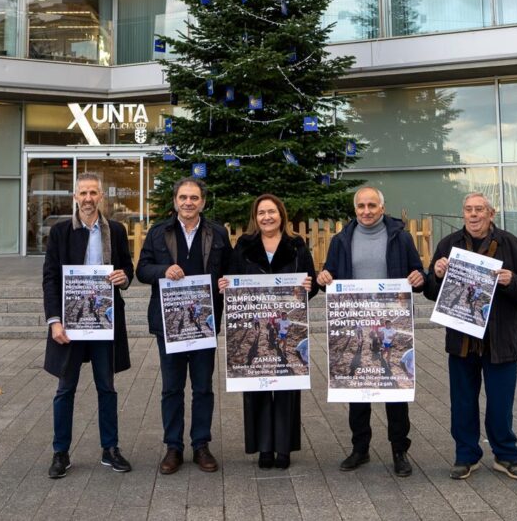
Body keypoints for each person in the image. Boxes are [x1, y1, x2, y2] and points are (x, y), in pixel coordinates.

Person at [424, 192, 517, 482]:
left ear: (491, 213)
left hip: (500, 342)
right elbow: (430, 291)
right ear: (463, 213)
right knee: (462, 403)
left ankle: (506, 455)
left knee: (500, 405)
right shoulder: (448, 245)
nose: (473, 214)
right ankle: (466, 456)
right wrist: (436, 275)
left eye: (479, 209)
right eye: (468, 209)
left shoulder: (512, 245)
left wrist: (512, 280)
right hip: (462, 341)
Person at [316, 186, 426, 478]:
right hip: (356, 323)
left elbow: (418, 274)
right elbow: (329, 275)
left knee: (395, 387)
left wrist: (420, 277)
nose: (366, 211)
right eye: (361, 206)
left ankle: (399, 450)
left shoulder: (400, 237)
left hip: (392, 323)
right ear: (355, 209)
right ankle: (360, 448)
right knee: (358, 385)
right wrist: (324, 277)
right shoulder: (342, 239)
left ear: (382, 208)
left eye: (372, 205)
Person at [41, 172, 134, 479]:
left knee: (106, 387)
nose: (88, 198)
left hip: (104, 321)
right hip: (71, 323)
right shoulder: (61, 231)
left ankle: (110, 448)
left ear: (101, 197)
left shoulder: (115, 230)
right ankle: (60, 452)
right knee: (65, 388)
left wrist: (123, 277)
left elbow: (127, 269)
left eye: (94, 193)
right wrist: (54, 321)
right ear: (75, 197)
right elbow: (50, 277)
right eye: (83, 193)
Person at [137, 177, 230, 475]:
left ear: (203, 201)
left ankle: (201, 445)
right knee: (172, 388)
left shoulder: (217, 232)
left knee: (203, 388)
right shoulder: (158, 232)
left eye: (194, 198)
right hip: (170, 324)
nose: (188, 202)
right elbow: (142, 270)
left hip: (204, 322)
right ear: (175, 200)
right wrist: (164, 270)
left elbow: (229, 269)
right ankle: (173, 447)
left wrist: (227, 282)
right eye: (183, 197)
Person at [220, 193, 317, 470]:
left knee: (286, 383)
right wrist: (226, 286)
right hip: (257, 322)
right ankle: (264, 447)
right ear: (255, 217)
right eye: (261, 213)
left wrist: (308, 287)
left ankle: (283, 448)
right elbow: (232, 279)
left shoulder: (297, 246)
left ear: (281, 215)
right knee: (258, 381)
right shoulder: (244, 245)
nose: (267, 217)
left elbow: (310, 284)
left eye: (271, 212)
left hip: (287, 322)